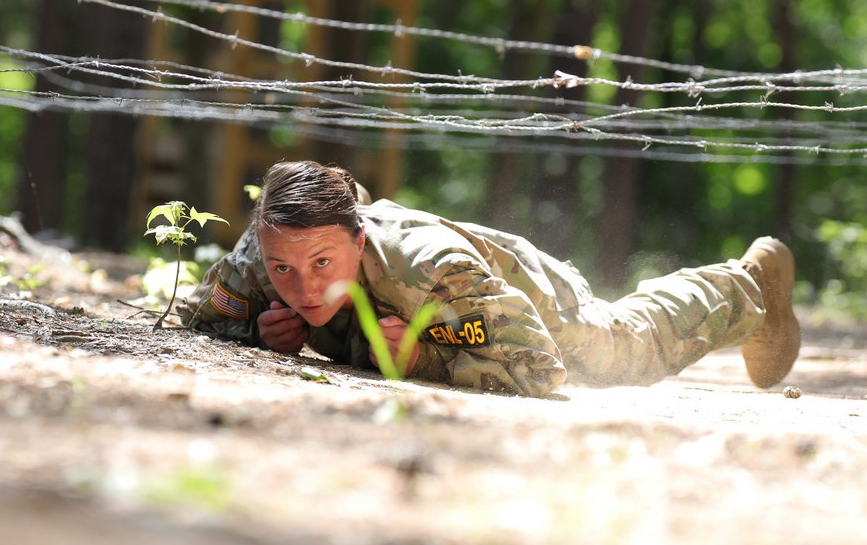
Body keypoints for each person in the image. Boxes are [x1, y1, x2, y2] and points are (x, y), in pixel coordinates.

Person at [180, 160, 801, 399]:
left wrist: (422, 357)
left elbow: (537, 367)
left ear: (359, 238)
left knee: (622, 350)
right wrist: (257, 332)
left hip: (527, 295)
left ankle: (747, 283)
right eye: (284, 270)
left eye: (323, 264)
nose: (305, 289)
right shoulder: (264, 252)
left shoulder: (434, 271)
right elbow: (204, 314)